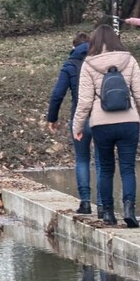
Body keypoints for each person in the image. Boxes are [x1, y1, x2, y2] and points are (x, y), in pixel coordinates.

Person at [72, 24, 140, 228]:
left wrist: (78, 127)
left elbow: (84, 102)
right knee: (127, 168)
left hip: (102, 125)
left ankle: (108, 213)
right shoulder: (129, 60)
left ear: (94, 42)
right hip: (129, 122)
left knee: (106, 169)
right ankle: (129, 209)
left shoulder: (88, 64)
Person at [46, 31, 98, 214]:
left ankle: (85, 203)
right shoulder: (101, 62)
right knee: (101, 160)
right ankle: (102, 205)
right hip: (102, 117)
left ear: (73, 47)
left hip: (80, 117)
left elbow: (57, 94)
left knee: (82, 159)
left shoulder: (70, 64)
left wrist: (52, 118)